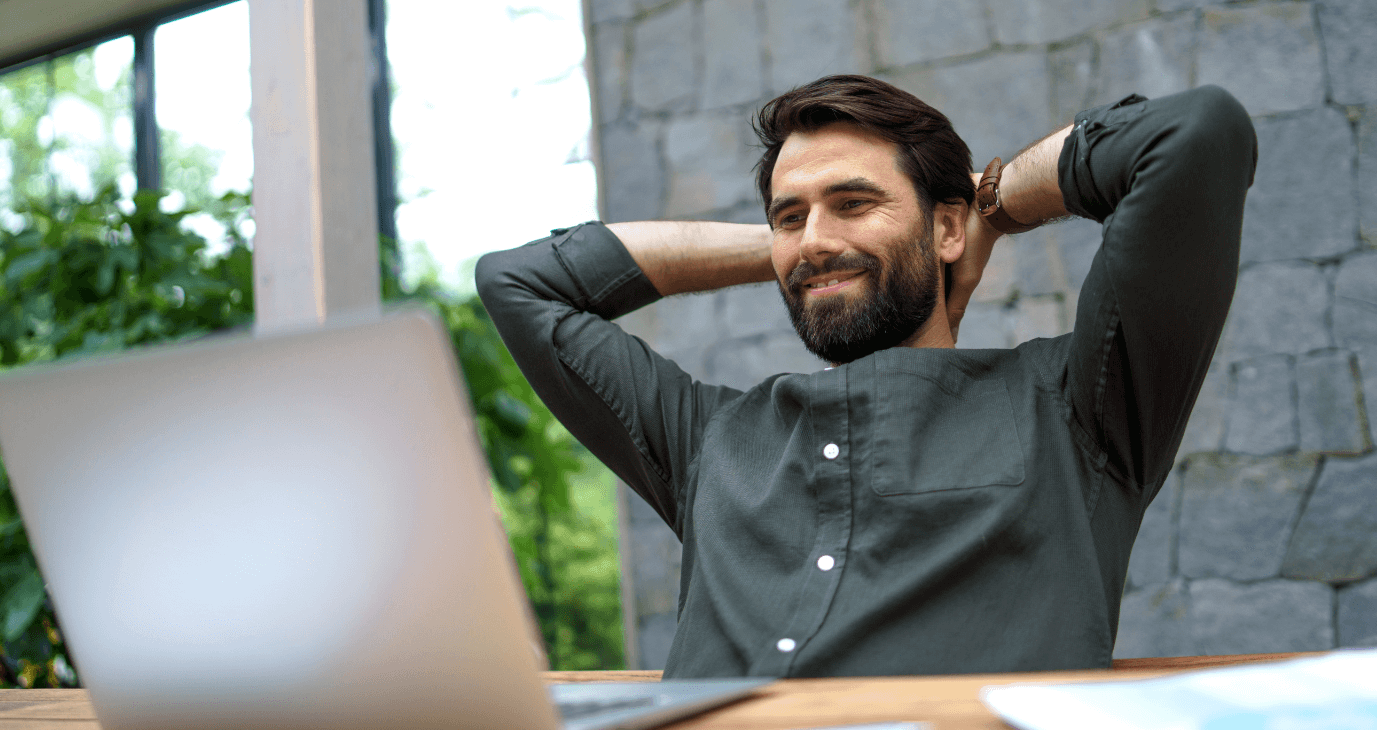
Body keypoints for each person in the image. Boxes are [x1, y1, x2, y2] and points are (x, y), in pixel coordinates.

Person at [475, 76, 1257, 678]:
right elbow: (518, 282)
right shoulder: (707, 439)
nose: (814, 237)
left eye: (854, 202)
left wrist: (992, 205)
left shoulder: (1079, 411)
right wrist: (801, 249)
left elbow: (1194, 135)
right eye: (790, 214)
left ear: (945, 226)